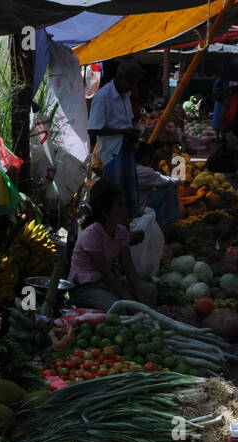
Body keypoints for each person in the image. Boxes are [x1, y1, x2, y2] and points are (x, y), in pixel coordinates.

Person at [68, 180, 155, 310]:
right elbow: (106, 273)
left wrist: (143, 301)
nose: (125, 210)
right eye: (120, 206)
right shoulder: (91, 235)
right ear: (105, 213)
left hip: (107, 282)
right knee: (119, 308)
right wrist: (131, 301)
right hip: (85, 286)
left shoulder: (121, 231)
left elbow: (128, 267)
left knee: (151, 291)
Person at [88, 59, 144, 215]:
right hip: (111, 153)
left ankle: (127, 226)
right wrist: (124, 132)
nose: (132, 86)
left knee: (128, 194)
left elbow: (126, 121)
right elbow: (94, 129)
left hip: (125, 149)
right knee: (114, 197)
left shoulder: (125, 95)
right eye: (130, 82)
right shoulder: (103, 96)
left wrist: (131, 131)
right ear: (120, 77)